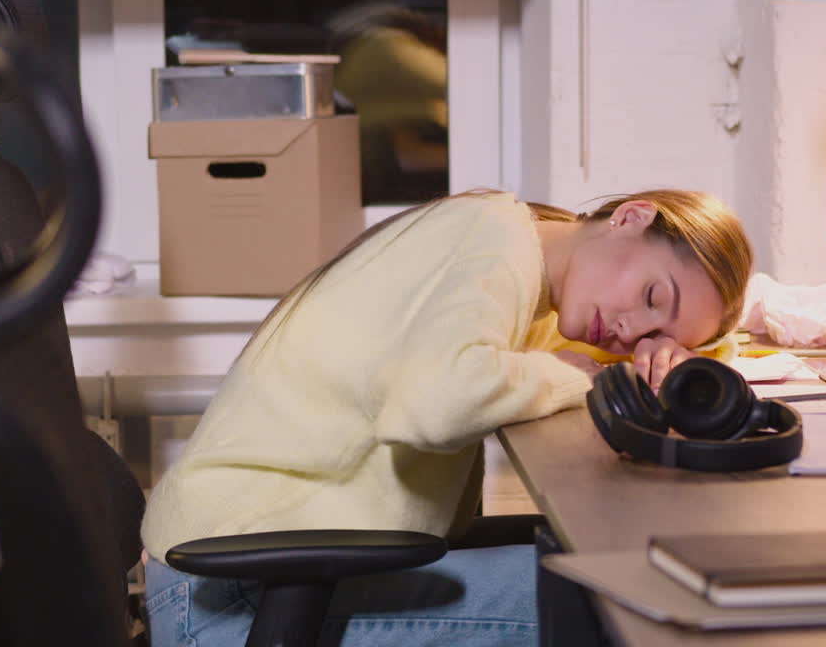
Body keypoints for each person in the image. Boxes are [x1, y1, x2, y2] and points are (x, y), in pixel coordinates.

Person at [141, 188, 752, 646]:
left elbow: (547, 357)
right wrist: (581, 376)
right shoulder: (496, 245)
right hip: (234, 598)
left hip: (251, 566)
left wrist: (673, 355)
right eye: (651, 298)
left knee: (603, 564)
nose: (627, 332)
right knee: (628, 603)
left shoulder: (523, 253)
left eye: (653, 330)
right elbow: (436, 405)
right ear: (631, 216)